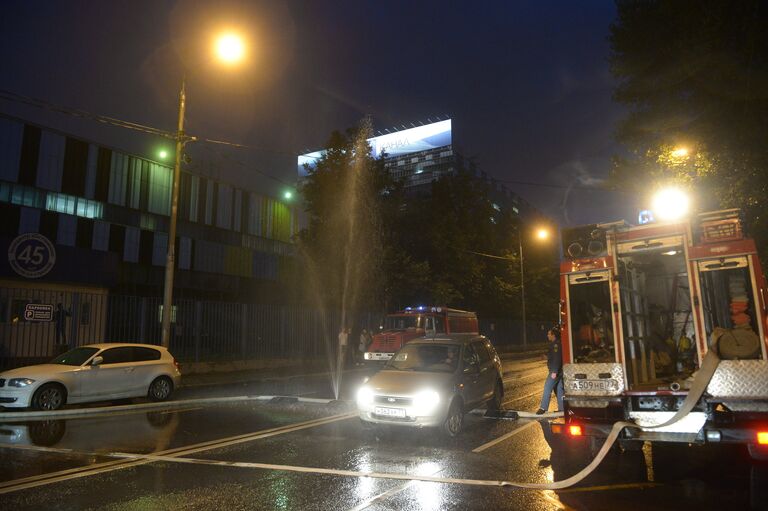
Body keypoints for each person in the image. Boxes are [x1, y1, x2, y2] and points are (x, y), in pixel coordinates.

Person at [536, 327, 564, 415]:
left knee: (547, 387)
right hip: (559, 371)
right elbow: (554, 357)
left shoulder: (555, 345)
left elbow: (557, 359)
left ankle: (543, 408)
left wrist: (554, 372)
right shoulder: (557, 344)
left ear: (553, 335)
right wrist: (547, 357)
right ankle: (562, 409)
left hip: (555, 371)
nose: (547, 335)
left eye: (549, 334)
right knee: (559, 389)